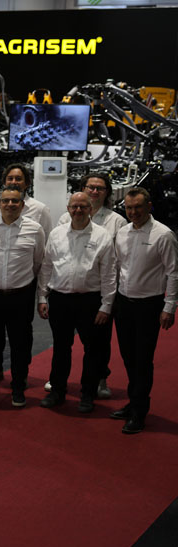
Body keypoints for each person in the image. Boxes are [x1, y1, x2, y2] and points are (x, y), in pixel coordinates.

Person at [37, 192, 116, 414]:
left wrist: (106, 305)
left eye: (83, 207)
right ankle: (58, 391)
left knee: (92, 350)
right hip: (60, 299)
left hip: (90, 301)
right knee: (61, 348)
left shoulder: (102, 236)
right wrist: (42, 297)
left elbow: (110, 274)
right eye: (74, 207)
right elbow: (46, 266)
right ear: (68, 209)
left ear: (90, 209)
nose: (78, 211)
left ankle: (88, 394)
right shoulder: (57, 234)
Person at [110, 187, 178, 434]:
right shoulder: (122, 232)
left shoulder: (164, 235)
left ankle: (140, 411)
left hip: (150, 306)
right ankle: (134, 401)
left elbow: (174, 273)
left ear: (149, 207)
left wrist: (169, 307)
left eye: (138, 207)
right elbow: (118, 267)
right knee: (129, 357)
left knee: (142, 360)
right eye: (129, 208)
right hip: (124, 303)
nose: (133, 212)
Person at [53, 172, 126, 399]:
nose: (94, 191)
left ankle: (99, 379)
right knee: (62, 344)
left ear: (107, 193)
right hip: (66, 292)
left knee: (98, 343)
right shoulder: (64, 220)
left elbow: (118, 261)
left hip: (99, 291)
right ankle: (57, 384)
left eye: (100, 188)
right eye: (90, 187)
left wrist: (108, 300)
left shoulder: (117, 221)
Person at [0, 186, 45, 406]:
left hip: (21, 295)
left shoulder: (35, 230)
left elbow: (38, 263)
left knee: (20, 343)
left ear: (23, 205)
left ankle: (18, 387)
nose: (10, 205)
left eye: (15, 201)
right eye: (5, 201)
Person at [0, 163, 53, 235]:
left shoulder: (40, 210)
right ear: (4, 183)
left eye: (18, 179)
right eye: (10, 179)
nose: (14, 182)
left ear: (26, 183)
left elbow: (47, 240)